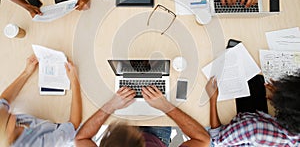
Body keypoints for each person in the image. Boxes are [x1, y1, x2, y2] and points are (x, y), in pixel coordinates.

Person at [75, 86, 210, 147]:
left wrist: (110, 105)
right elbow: (203, 139)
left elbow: (81, 139)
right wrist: (165, 106)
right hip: (158, 135)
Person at [0, 55, 82, 147]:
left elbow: (4, 99)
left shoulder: (3, 117)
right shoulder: (40, 144)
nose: (9, 112)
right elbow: (73, 125)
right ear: (8, 134)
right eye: (8, 116)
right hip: (69, 134)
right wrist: (75, 81)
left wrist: (26, 72)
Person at [205, 75, 300, 146]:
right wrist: (282, 99)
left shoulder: (256, 129)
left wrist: (212, 99)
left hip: (232, 136)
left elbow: (216, 138)